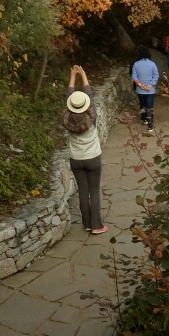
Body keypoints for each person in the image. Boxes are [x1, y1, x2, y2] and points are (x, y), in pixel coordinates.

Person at [65, 65, 108, 234]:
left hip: (76, 159)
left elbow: (69, 97)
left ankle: (87, 224)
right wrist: (83, 76)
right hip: (93, 158)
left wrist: (72, 76)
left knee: (83, 192)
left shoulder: (67, 117)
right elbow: (89, 95)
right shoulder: (92, 115)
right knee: (94, 191)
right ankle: (97, 225)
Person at [131, 47, 159, 133]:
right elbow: (156, 75)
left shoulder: (136, 64)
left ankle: (144, 119)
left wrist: (140, 85)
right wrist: (151, 84)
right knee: (150, 107)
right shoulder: (152, 64)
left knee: (142, 105)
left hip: (140, 89)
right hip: (150, 89)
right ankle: (150, 125)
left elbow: (134, 76)